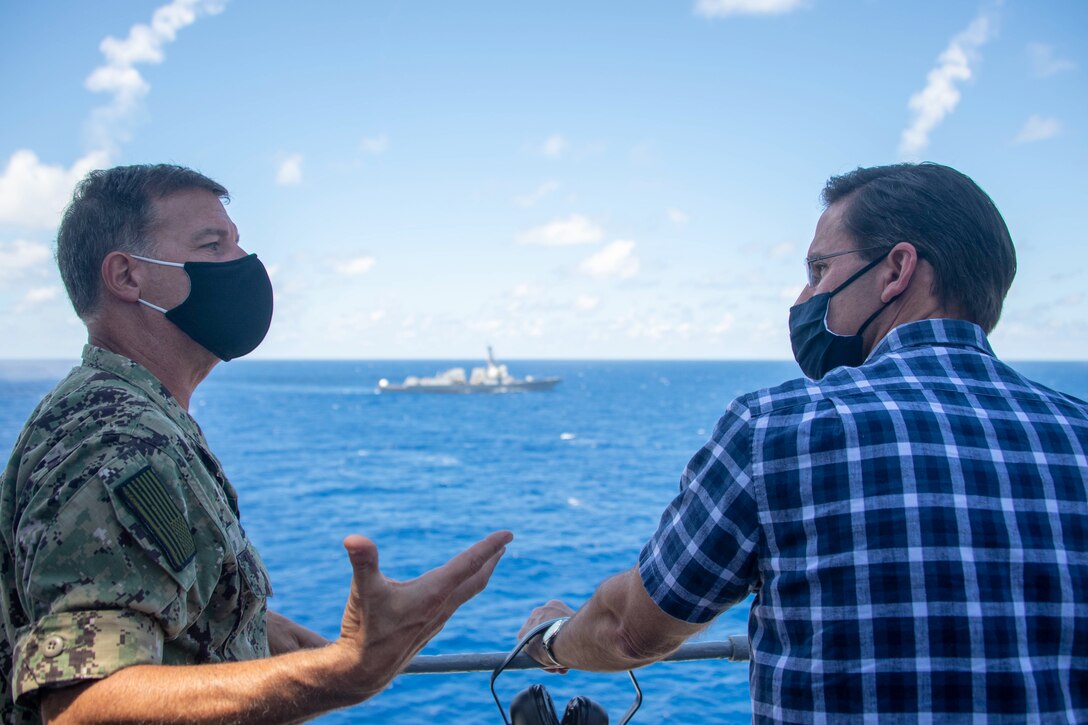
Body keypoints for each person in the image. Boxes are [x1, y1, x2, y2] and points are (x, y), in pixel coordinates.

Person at [519, 162, 1087, 721]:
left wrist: (551, 638)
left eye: (818, 269)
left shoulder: (776, 429)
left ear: (896, 271)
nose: (802, 298)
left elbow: (633, 631)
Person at [0, 164, 512, 724]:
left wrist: (265, 635)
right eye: (212, 244)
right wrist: (347, 671)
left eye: (238, 242)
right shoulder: (111, 439)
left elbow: (169, 621)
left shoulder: (145, 417)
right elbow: (80, 705)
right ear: (126, 277)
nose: (243, 265)